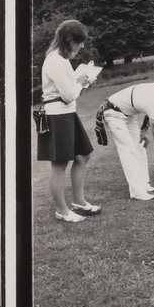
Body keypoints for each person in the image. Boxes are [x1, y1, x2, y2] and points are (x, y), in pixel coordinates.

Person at [38, 19, 100, 223]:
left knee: (83, 155)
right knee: (59, 164)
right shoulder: (55, 60)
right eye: (79, 42)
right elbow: (67, 95)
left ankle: (79, 202)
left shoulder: (61, 60)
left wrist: (81, 82)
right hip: (58, 115)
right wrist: (81, 83)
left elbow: (69, 90)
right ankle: (61, 210)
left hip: (66, 113)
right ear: (68, 40)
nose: (81, 46)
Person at [96, 80, 154, 200]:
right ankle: (136, 191)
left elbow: (148, 115)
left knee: (140, 146)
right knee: (128, 151)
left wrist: (143, 132)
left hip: (129, 115)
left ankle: (144, 184)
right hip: (113, 113)